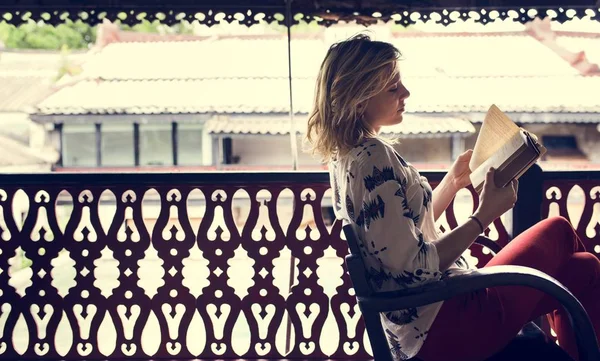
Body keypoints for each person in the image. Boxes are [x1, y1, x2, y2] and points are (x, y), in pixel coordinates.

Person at [305, 33, 600, 361]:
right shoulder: (373, 157)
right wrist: (484, 215)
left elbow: (403, 236)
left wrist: (451, 183)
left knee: (584, 270)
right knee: (558, 228)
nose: (405, 93)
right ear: (358, 99)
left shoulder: (348, 157)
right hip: (446, 322)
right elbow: (415, 268)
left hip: (430, 317)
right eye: (393, 88)